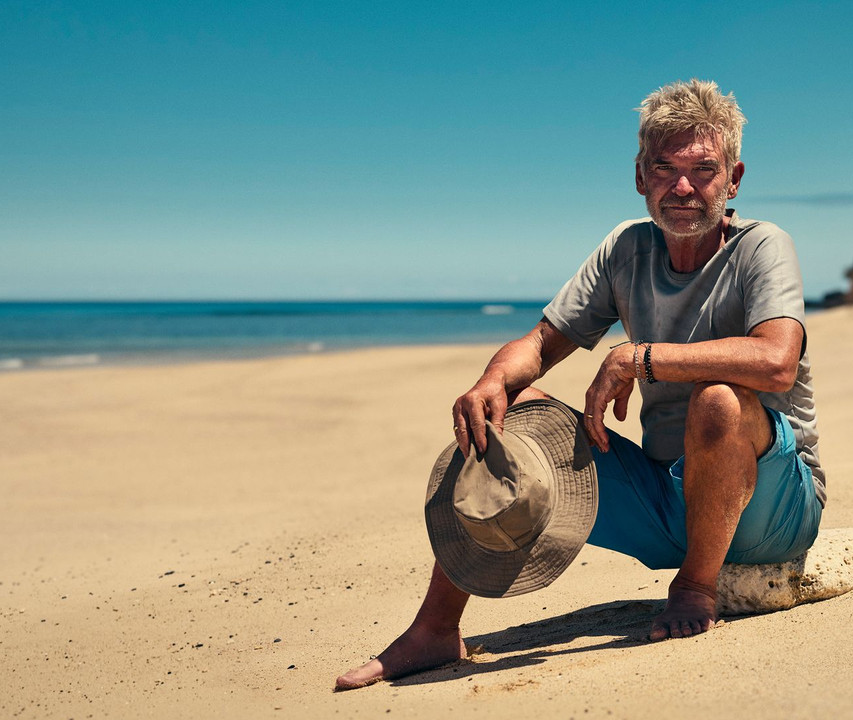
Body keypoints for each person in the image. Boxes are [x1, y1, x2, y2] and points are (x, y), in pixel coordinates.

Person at [335, 79, 825, 691]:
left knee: (719, 400)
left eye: (703, 170)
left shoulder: (762, 247)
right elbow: (541, 344)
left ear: (734, 179)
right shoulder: (627, 248)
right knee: (511, 410)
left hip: (773, 507)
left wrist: (639, 358)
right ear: (640, 175)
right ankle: (436, 626)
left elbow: (777, 361)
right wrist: (491, 380)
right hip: (665, 504)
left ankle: (696, 587)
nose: (682, 187)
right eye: (664, 168)